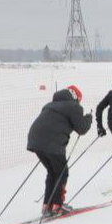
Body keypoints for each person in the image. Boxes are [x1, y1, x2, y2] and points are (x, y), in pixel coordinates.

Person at [27, 87, 92, 217]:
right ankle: (57, 205)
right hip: (52, 143)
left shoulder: (50, 105)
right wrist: (88, 118)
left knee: (53, 172)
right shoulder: (74, 107)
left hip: (35, 140)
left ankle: (47, 205)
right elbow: (81, 129)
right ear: (76, 98)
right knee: (62, 173)